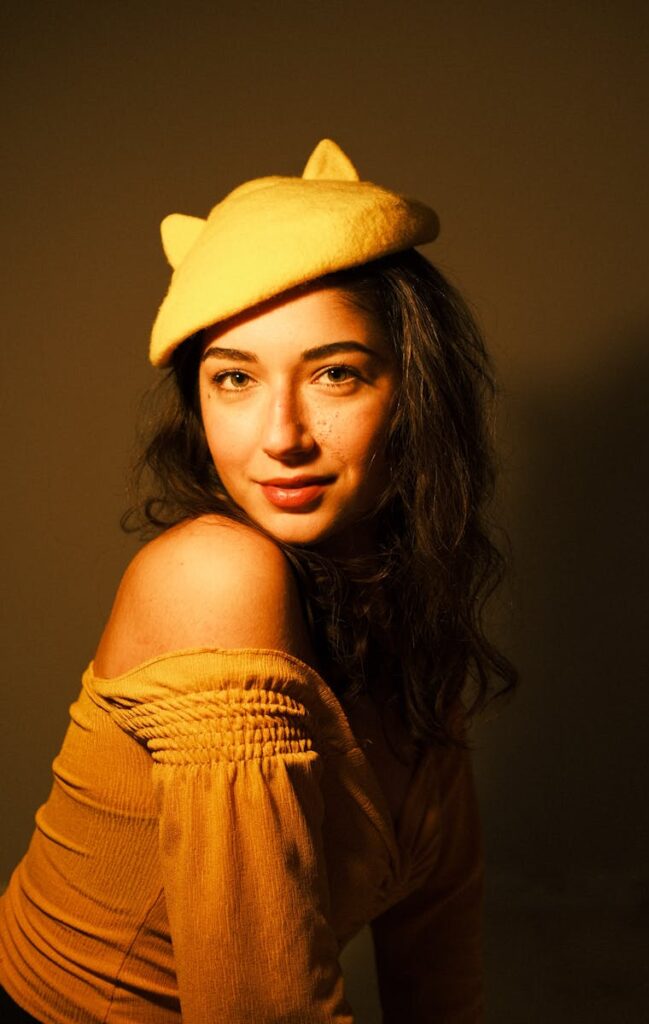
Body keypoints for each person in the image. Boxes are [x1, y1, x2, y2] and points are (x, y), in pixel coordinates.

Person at [0, 139, 516, 1022]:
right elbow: (260, 1000)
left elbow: (437, 954)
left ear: (414, 392)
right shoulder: (213, 576)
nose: (281, 435)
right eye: (234, 378)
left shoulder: (407, 613)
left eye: (335, 374)